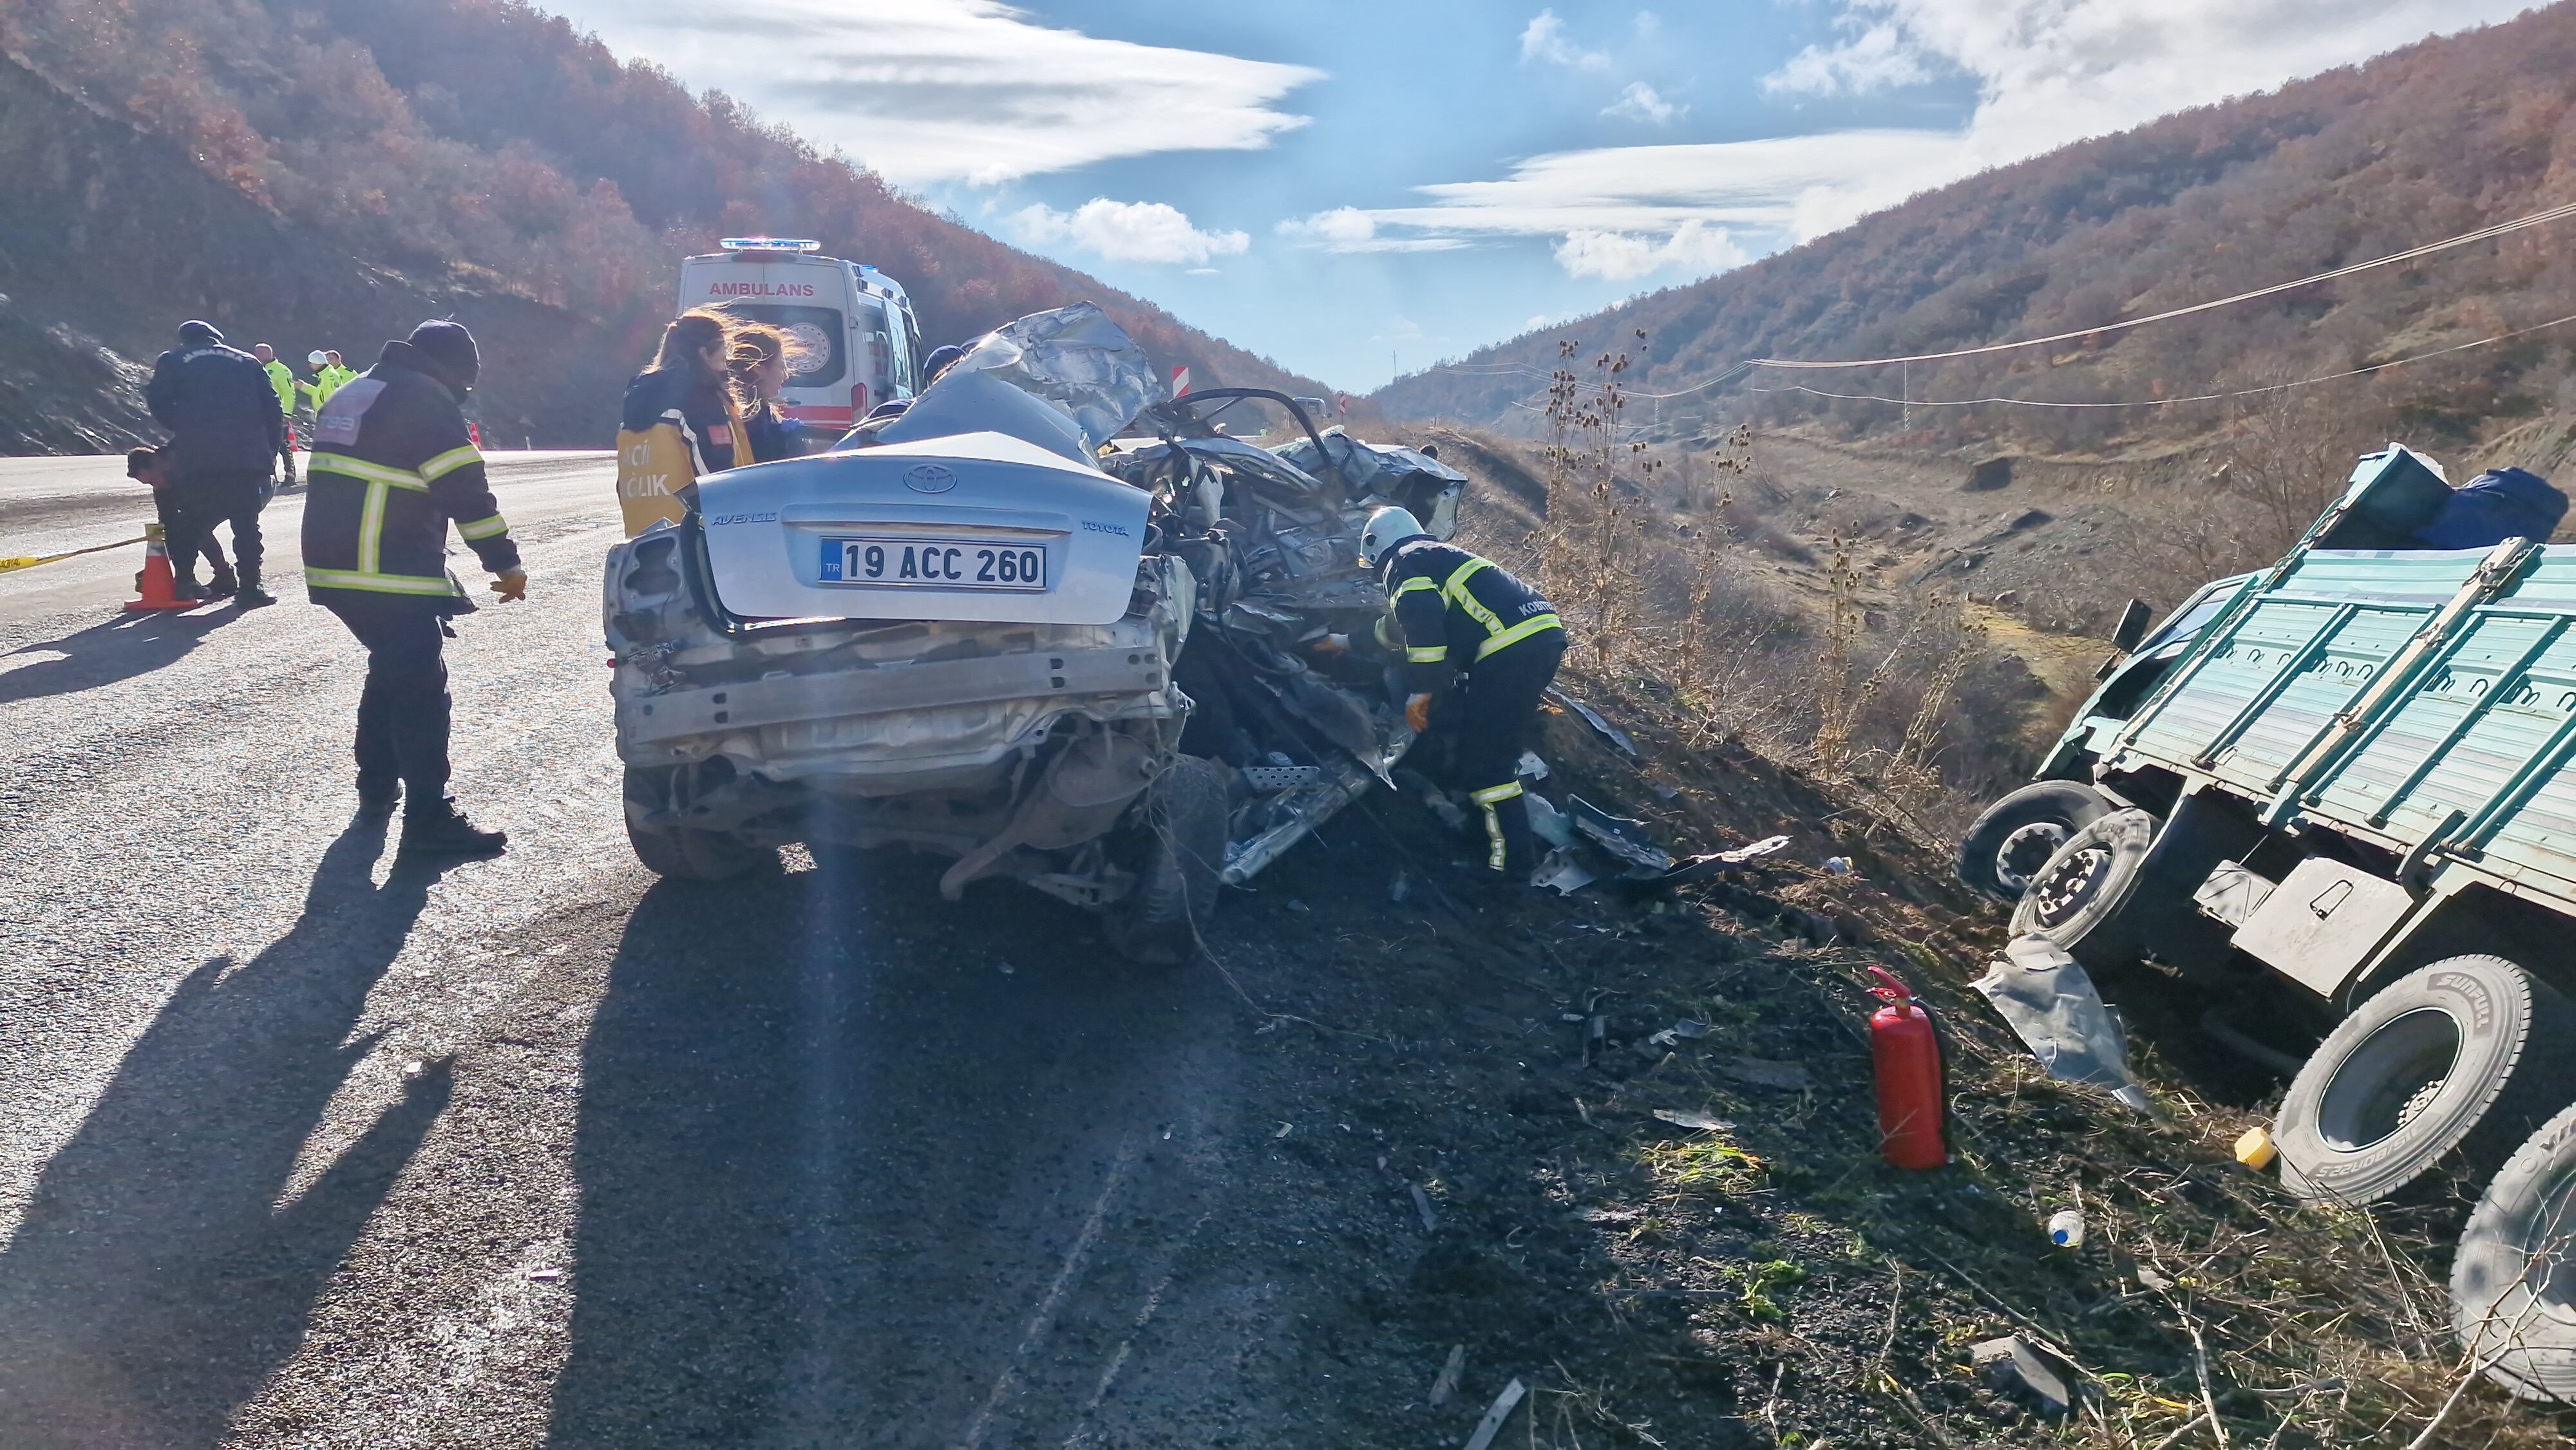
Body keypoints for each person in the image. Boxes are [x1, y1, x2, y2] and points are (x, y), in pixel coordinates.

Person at [303, 319, 527, 856]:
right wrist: (504, 563)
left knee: (393, 666)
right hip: (384, 562)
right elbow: (465, 491)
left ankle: (376, 787)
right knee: (422, 686)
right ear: (455, 371)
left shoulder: (359, 388)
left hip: (336, 562)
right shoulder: (422, 397)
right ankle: (429, 816)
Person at [1361, 505, 1566, 879]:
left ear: (1376, 546)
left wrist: (1420, 692)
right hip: (1538, 638)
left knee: (1486, 763)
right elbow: (1402, 626)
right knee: (1488, 749)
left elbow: (1421, 623)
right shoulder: (1433, 558)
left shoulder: (1404, 562)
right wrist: (1343, 641)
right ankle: (1489, 842)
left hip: (1508, 652)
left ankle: (1509, 870)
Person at [144, 320, 279, 606]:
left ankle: (184, 582)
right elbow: (273, 408)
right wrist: (268, 452)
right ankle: (250, 588)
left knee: (190, 520)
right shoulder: (248, 361)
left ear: (185, 340)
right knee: (246, 524)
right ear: (217, 339)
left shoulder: (173, 360)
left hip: (198, 455)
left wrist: (181, 426)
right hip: (245, 456)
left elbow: (157, 400)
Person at [126, 446, 235, 597]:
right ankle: (218, 578)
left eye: (153, 480)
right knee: (185, 528)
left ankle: (196, 579)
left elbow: (193, 520)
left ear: (157, 466)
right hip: (203, 503)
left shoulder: (187, 471)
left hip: (231, 495)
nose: (155, 486)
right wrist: (155, 566)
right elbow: (167, 525)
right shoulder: (162, 486)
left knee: (194, 528)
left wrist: (183, 573)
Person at [727, 323, 808, 464]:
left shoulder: (759, 413)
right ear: (759, 369)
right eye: (781, 367)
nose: (786, 376)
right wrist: (792, 442)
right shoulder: (751, 420)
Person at [253, 343, 300, 486]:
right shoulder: (258, 369)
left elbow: (289, 393)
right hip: (261, 415)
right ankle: (268, 475)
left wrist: (286, 413)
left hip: (276, 414)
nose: (257, 355)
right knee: (263, 445)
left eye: (260, 353)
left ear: (268, 353)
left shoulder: (281, 370)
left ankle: (290, 474)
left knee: (282, 444)